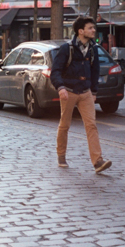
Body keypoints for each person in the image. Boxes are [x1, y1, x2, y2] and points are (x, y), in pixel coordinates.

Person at [51, 16, 112, 173]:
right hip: (69, 91)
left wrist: (94, 91)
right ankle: (61, 155)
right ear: (81, 31)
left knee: (91, 125)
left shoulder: (93, 49)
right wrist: (61, 87)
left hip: (85, 92)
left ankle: (97, 161)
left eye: (93, 28)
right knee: (65, 124)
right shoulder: (67, 48)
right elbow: (55, 71)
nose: (93, 30)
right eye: (90, 28)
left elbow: (95, 70)